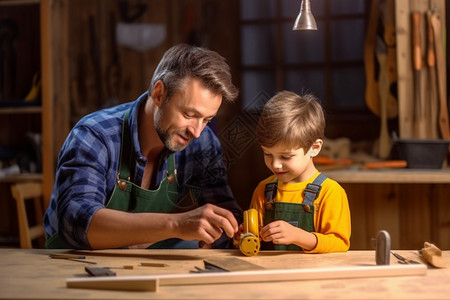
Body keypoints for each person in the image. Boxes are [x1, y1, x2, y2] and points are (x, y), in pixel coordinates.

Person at [43, 43, 242, 249]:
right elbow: (77, 222)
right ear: (158, 94)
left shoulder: (203, 143)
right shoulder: (94, 135)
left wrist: (222, 234)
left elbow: (224, 210)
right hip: (72, 264)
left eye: (207, 120)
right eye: (189, 115)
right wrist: (176, 224)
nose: (197, 131)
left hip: (147, 264)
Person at [248, 91, 351, 253]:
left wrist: (299, 237)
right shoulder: (263, 189)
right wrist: (244, 236)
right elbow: (253, 243)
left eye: (285, 156)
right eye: (268, 154)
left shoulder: (331, 193)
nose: (275, 164)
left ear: (314, 148)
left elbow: (340, 244)